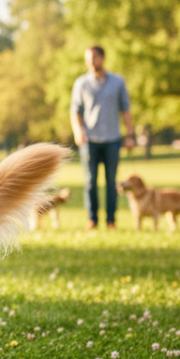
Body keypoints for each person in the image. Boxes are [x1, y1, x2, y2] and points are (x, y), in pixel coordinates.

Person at [70, 45, 135, 230]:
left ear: (102, 58)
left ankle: (111, 220)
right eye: (87, 59)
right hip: (89, 140)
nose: (90, 62)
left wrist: (130, 135)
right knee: (90, 182)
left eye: (93, 58)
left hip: (112, 139)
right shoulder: (81, 83)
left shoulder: (118, 82)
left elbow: (126, 110)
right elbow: (75, 111)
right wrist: (78, 131)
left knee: (111, 181)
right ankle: (92, 219)